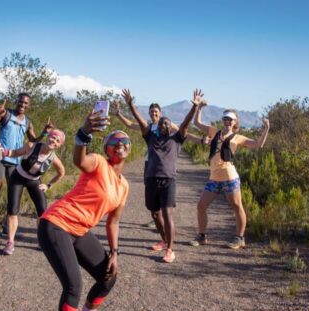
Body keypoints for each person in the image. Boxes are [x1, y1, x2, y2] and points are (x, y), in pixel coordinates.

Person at [37, 110, 130, 311]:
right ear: (107, 148)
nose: (121, 143)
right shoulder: (98, 162)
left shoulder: (123, 186)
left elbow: (113, 222)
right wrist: (84, 133)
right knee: (73, 284)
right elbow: (79, 159)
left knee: (108, 276)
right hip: (55, 223)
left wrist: (115, 252)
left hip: (79, 230)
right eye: (115, 141)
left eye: (125, 141)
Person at [123, 88, 204, 263]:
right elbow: (139, 121)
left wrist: (194, 107)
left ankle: (170, 250)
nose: (164, 125)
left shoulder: (177, 139)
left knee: (167, 213)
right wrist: (130, 105)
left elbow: (185, 124)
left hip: (168, 180)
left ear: (171, 127)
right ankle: (164, 239)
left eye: (167, 123)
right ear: (158, 127)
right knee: (154, 213)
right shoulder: (151, 137)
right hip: (151, 179)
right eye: (161, 124)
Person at [191, 103, 270, 249]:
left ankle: (239, 238)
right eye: (225, 119)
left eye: (230, 120)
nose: (227, 122)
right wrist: (199, 108)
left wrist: (266, 128)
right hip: (214, 177)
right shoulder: (214, 131)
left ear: (235, 122)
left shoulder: (238, 137)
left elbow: (258, 145)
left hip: (230, 177)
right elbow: (196, 123)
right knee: (201, 205)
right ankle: (201, 236)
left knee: (237, 206)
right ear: (222, 120)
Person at [0, 122, 65, 255]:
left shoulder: (54, 158)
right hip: (18, 177)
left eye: (57, 141)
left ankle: (42, 241)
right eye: (53, 137)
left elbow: (61, 173)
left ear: (59, 145)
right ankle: (10, 242)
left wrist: (48, 185)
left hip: (34, 181)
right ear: (48, 137)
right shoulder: (32, 146)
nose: (54, 141)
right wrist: (3, 152)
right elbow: (16, 152)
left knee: (43, 213)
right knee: (12, 210)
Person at [111, 99, 179, 228]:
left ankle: (165, 220)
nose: (154, 114)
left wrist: (202, 140)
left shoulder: (168, 125)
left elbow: (181, 132)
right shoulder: (147, 126)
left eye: (156, 111)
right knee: (151, 190)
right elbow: (130, 124)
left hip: (164, 165)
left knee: (165, 195)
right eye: (152, 111)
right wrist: (118, 113)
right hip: (150, 162)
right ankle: (157, 217)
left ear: (160, 113)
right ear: (149, 113)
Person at [0, 93, 37, 241]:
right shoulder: (6, 114)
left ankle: (8, 228)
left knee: (13, 195)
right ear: (16, 102)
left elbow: (34, 140)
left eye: (26, 103)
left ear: (28, 106)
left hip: (15, 161)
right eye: (20, 102)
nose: (22, 105)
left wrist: (45, 131)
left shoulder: (27, 122)